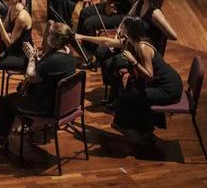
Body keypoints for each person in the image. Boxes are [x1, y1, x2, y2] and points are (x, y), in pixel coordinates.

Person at [78, 16, 182, 144]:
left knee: (131, 97)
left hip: (169, 88)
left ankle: (138, 131)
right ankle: (142, 129)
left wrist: (133, 62)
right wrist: (82, 37)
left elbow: (149, 75)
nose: (119, 29)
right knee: (131, 92)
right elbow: (106, 41)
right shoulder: (129, 43)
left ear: (128, 32)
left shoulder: (143, 47)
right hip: (158, 84)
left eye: (122, 27)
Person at [0, 21, 78, 150]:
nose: (47, 37)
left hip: (47, 107)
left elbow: (31, 76)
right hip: (63, 104)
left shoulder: (53, 60)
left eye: (49, 34)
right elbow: (48, 73)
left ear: (56, 40)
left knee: (7, 101)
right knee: (20, 91)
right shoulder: (69, 55)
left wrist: (32, 59)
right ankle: (27, 124)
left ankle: (0, 138)